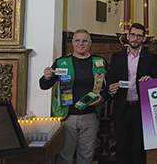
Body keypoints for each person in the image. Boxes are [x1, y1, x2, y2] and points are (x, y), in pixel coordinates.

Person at [39, 29, 108, 164]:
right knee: (64, 155)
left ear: (90, 43)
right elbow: (44, 85)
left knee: (86, 156)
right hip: (67, 117)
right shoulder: (61, 62)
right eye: (77, 40)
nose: (80, 44)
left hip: (90, 117)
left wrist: (103, 98)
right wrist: (46, 77)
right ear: (72, 43)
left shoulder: (100, 62)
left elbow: (108, 87)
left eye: (84, 41)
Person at [107, 23, 157, 164]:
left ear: (143, 38)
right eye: (133, 35)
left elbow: (156, 81)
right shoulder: (117, 57)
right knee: (122, 147)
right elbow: (111, 78)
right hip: (122, 108)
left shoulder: (151, 58)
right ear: (128, 36)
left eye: (139, 36)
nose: (135, 38)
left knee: (139, 148)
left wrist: (150, 80)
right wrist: (111, 88)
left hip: (141, 109)